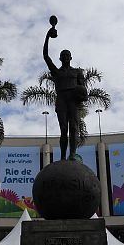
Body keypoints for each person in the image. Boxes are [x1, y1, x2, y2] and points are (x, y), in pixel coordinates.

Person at [43, 19, 86, 160]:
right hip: (61, 100)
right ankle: (62, 157)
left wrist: (80, 94)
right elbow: (45, 56)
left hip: (73, 101)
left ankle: (72, 155)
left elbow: (83, 88)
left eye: (68, 55)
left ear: (71, 57)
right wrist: (47, 36)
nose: (66, 57)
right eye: (63, 55)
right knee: (63, 130)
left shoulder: (77, 72)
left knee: (74, 129)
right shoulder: (57, 72)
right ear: (60, 58)